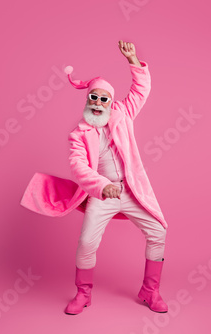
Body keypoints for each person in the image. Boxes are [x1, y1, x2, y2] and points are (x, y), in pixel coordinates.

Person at [20, 40, 169, 315]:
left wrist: (133, 60)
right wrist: (102, 186)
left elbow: (141, 90)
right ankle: (83, 293)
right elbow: (78, 167)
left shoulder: (123, 114)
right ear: (87, 100)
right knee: (87, 242)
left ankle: (150, 290)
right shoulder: (78, 134)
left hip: (132, 191)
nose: (98, 103)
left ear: (111, 103)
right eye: (94, 98)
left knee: (158, 231)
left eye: (104, 99)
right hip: (102, 194)